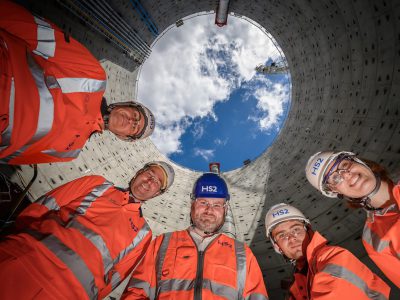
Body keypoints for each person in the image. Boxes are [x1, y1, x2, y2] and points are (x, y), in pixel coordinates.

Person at [0, 1, 155, 165]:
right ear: (126, 104)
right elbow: (34, 31)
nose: (132, 121)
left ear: (123, 137)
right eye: (136, 116)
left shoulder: (70, 153)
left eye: (134, 128)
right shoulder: (94, 76)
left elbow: (9, 156)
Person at [0, 161, 175, 300]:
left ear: (157, 194)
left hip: (69, 294)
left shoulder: (144, 234)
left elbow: (115, 278)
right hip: (23, 260)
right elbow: (44, 205)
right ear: (138, 173)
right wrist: (17, 242)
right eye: (149, 174)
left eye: (157, 182)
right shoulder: (97, 184)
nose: (150, 181)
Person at [122, 172, 269, 299]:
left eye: (217, 205)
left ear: (225, 209)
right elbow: (136, 293)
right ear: (192, 204)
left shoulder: (242, 254)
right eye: (203, 202)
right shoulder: (163, 243)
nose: (209, 210)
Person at [305, 151, 400, 288]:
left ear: (359, 161)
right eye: (336, 179)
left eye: (344, 164)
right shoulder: (373, 239)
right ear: (335, 192)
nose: (346, 174)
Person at [265, 203, 390, 299]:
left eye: (296, 230)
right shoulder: (297, 284)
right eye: (282, 235)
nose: (292, 238)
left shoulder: (333, 257)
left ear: (309, 232)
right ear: (277, 247)